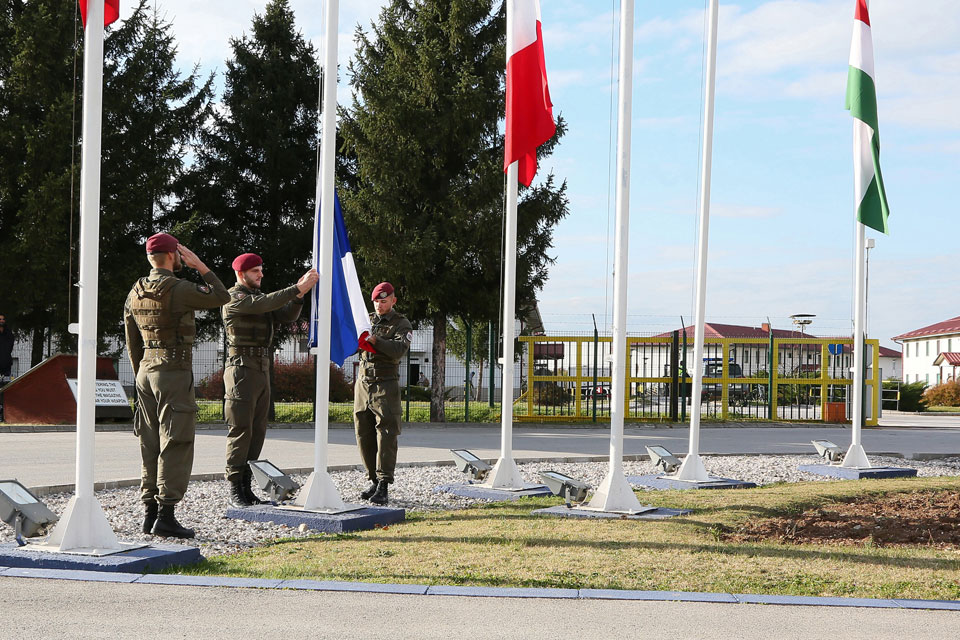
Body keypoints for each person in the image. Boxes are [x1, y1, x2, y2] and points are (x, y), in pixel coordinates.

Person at [123, 233, 230, 538]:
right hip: (172, 369)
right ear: (172, 255)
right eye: (181, 253)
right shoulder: (179, 288)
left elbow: (131, 339)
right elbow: (222, 296)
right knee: (176, 442)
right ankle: (166, 516)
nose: (184, 257)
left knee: (149, 443)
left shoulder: (136, 290)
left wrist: (140, 373)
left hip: (145, 370)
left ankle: (150, 514)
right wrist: (201, 266)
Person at [221, 253, 318, 506]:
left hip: (261, 368)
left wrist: (298, 296)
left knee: (257, 431)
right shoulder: (234, 298)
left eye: (261, 270)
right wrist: (297, 287)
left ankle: (246, 487)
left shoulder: (259, 299)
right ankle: (234, 489)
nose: (261, 275)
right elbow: (265, 305)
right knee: (241, 430)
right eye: (255, 271)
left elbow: (287, 316)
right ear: (241, 274)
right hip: (241, 369)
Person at [354, 282, 412, 505]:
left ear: (393, 301)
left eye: (384, 301)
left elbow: (398, 351)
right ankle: (372, 479)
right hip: (363, 382)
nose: (379, 305)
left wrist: (375, 340)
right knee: (363, 432)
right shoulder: (366, 320)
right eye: (376, 301)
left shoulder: (401, 324)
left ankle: (384, 483)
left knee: (386, 433)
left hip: (385, 383)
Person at [0, 314, 14, 378]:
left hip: (6, 363)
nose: (2, 321)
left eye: (3, 319)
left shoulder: (8, 332)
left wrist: (6, 352)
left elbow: (11, 344)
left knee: (6, 383)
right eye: (0, 319)